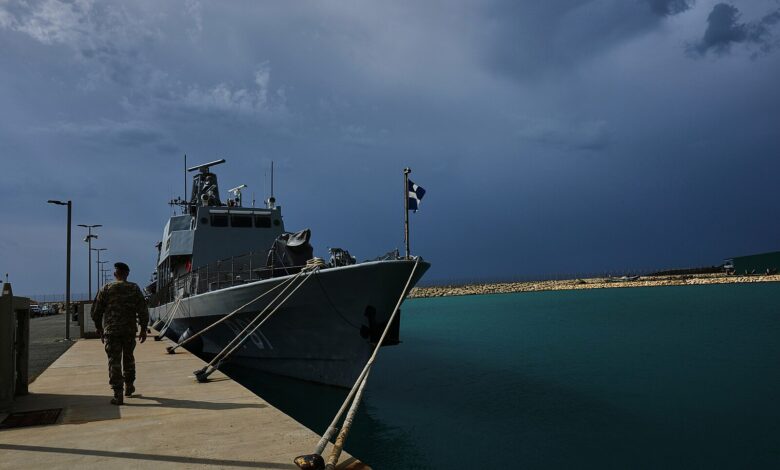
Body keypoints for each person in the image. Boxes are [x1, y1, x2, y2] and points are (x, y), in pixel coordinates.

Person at [92, 262, 149, 405]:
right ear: (127, 274)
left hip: (111, 331)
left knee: (114, 361)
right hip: (129, 331)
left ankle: (118, 394)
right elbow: (143, 310)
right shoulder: (134, 288)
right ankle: (129, 386)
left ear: (115, 274)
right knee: (129, 358)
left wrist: (99, 328)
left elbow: (96, 311)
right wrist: (143, 329)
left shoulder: (106, 288)